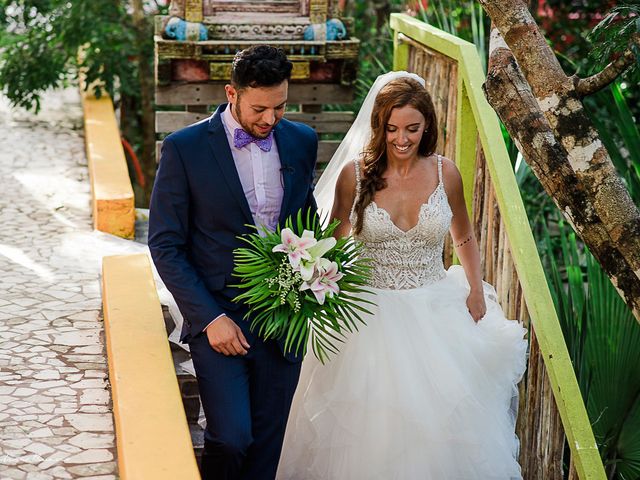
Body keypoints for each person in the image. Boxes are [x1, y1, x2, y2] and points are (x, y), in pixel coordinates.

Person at [277, 72, 528, 479]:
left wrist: (475, 289)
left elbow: (462, 235)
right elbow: (331, 245)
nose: (402, 139)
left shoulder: (446, 173)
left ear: (427, 123)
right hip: (368, 315)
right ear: (379, 126)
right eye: (392, 129)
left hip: (436, 310)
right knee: (370, 431)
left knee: (440, 425)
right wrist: (313, 278)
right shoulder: (354, 177)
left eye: (412, 128)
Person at [148, 45, 317, 480]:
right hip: (220, 313)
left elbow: (306, 219)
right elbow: (165, 244)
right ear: (231, 93)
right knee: (230, 437)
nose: (270, 119)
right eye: (259, 108)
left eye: (280, 107)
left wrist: (316, 279)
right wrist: (208, 318)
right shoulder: (184, 149)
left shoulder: (301, 141)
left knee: (267, 442)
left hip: (284, 315)